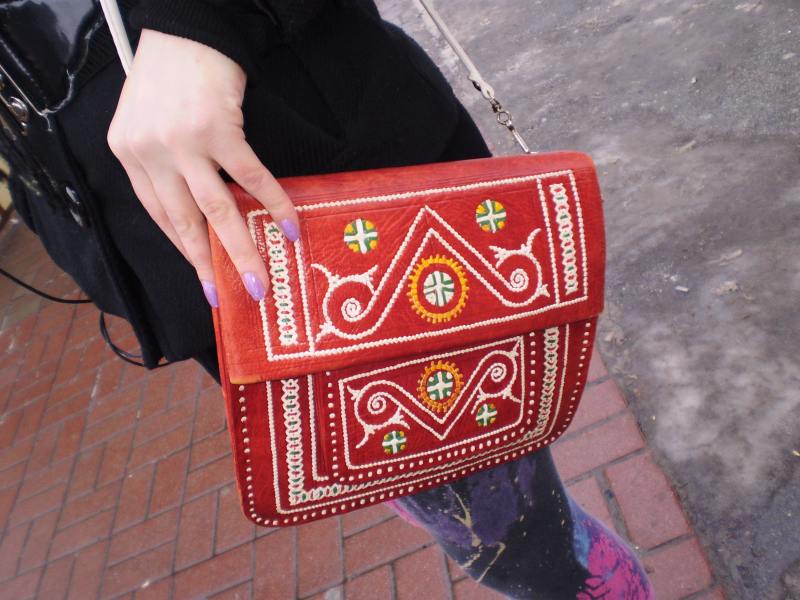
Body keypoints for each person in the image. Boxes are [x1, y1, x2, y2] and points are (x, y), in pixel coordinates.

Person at [0, 1, 653, 597]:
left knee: (524, 548)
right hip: (190, 271)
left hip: (358, 222)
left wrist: (201, 17)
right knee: (455, 512)